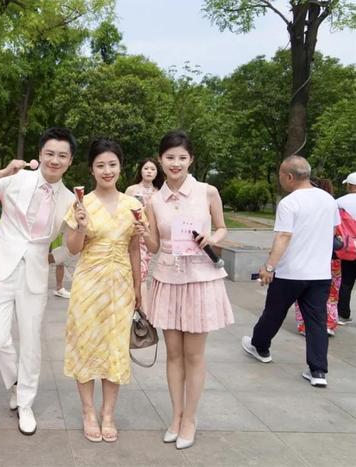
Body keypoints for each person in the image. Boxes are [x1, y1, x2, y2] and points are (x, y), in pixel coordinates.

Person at [0, 128, 76, 435]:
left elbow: (73, 244)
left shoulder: (69, 200)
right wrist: (1, 173)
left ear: (69, 161)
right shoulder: (17, 178)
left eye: (62, 156)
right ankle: (14, 382)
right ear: (40, 154)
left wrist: (54, 259)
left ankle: (25, 402)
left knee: (30, 342)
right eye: (50, 153)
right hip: (1, 266)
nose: (55, 160)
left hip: (35, 273)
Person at [136, 130, 234, 450]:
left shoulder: (207, 192)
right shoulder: (153, 200)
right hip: (167, 278)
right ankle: (175, 416)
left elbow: (221, 227)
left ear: (191, 159)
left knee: (194, 355)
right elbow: (152, 245)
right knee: (173, 354)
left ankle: (190, 418)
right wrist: (143, 231)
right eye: (169, 157)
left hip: (201, 279)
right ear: (160, 160)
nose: (175, 163)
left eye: (181, 157)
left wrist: (214, 239)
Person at [63, 139, 142, 443]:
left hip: (121, 284)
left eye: (112, 164)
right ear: (91, 169)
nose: (107, 170)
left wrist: (138, 287)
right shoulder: (82, 204)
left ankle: (108, 413)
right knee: (86, 346)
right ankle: (88, 412)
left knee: (114, 348)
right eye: (100, 165)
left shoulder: (133, 205)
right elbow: (71, 249)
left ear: (121, 167)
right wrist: (81, 226)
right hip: (88, 283)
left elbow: (136, 248)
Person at [242, 156, 339, 389]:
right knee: (317, 321)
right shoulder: (328, 199)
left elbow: (284, 236)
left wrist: (269, 267)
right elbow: (333, 231)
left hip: (290, 273)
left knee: (273, 313)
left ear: (289, 176)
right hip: (319, 274)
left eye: (280, 176)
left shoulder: (289, 202)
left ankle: (261, 348)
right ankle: (318, 371)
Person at [294, 178, 340, 336]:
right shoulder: (333, 204)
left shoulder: (305, 204)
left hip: (307, 257)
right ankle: (330, 323)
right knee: (332, 293)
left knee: (301, 295)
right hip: (332, 258)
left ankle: (303, 325)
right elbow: (336, 230)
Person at [125, 158, 164, 308]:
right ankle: (135, 308)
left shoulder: (159, 193)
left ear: (156, 172)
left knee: (141, 273)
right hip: (131, 235)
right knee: (131, 273)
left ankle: (143, 312)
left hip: (147, 237)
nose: (149, 171)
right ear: (141, 170)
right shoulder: (131, 190)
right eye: (146, 168)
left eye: (152, 169)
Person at [337, 172, 356, 325]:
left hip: (348, 247)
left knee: (346, 282)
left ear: (350, 186)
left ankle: (343, 314)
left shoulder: (339, 202)